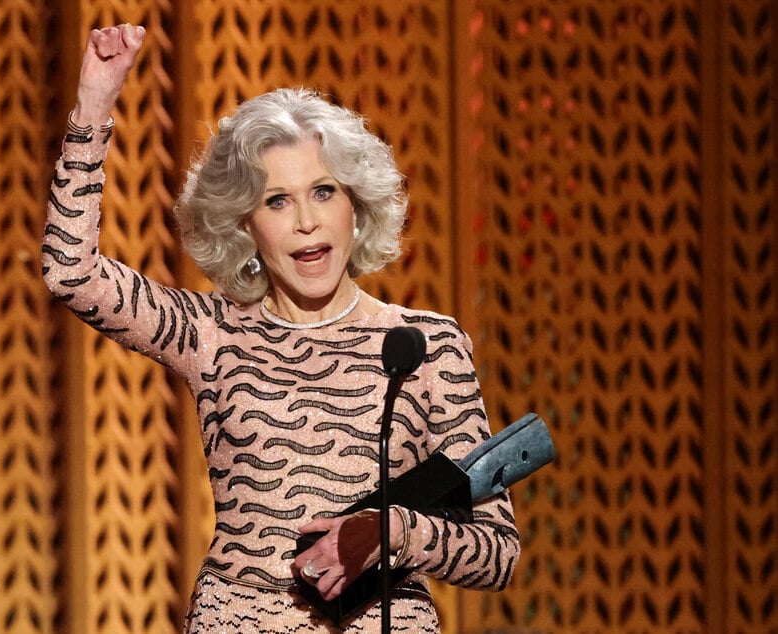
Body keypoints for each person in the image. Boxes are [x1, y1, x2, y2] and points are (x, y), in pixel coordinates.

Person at [43, 24, 520, 633]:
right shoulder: (212, 334)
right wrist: (93, 106)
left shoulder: (427, 345)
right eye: (276, 201)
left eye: (323, 192)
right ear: (243, 224)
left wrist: (390, 530)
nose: (305, 222)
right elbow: (71, 273)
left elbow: (498, 553)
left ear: (357, 204)